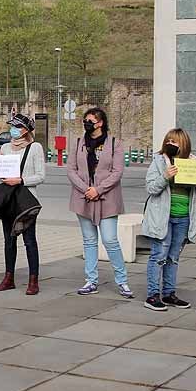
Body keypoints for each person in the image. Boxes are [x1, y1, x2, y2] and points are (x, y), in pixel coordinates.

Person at [67, 107, 131, 298]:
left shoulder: (114, 143)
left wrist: (98, 189)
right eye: (85, 120)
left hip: (107, 198)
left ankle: (122, 281)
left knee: (110, 240)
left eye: (91, 120)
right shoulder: (78, 142)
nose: (87, 123)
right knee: (89, 241)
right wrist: (86, 189)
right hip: (83, 197)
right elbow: (71, 169)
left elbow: (117, 172)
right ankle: (91, 280)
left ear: (100, 122)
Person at [142, 128, 196, 311]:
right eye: (168, 140)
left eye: (175, 141)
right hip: (162, 217)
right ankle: (152, 295)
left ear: (184, 144)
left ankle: (169, 294)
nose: (171, 144)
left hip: (183, 217)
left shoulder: (193, 163)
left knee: (173, 257)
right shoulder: (159, 161)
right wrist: (165, 176)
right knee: (158, 256)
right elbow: (151, 188)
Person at [0, 113, 45, 295]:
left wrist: (21, 180)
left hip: (26, 199)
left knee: (29, 240)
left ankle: (33, 280)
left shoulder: (35, 147)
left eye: (17, 127)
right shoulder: (5, 147)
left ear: (26, 130)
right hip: (8, 199)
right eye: (12, 126)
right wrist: (0, 172)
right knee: (9, 240)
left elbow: (40, 176)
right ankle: (9, 277)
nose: (13, 130)